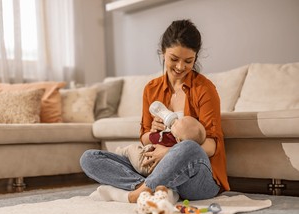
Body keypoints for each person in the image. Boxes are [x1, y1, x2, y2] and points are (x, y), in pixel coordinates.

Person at [80, 19, 230, 203]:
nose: (180, 67)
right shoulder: (151, 89)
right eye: (174, 59)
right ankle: (155, 187)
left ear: (196, 58)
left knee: (189, 147)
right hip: (156, 168)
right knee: (89, 158)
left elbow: (212, 146)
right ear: (162, 53)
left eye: (188, 61)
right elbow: (143, 138)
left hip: (198, 178)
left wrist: (169, 153)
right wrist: (152, 131)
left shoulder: (204, 89)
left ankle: (141, 191)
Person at [115, 115, 206, 176]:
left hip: (146, 164)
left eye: (176, 124)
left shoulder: (171, 139)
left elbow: (153, 138)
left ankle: (120, 152)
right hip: (158, 169)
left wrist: (155, 133)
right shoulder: (182, 146)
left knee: (132, 149)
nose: (175, 121)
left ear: (178, 139)